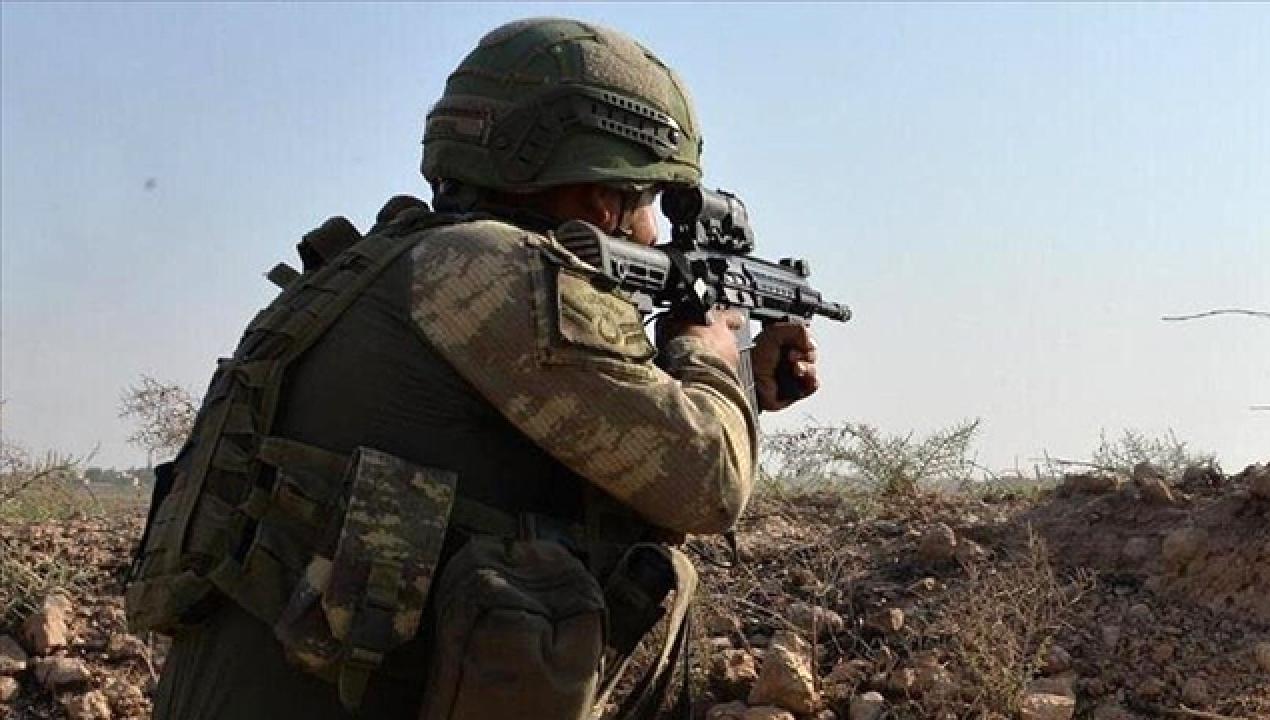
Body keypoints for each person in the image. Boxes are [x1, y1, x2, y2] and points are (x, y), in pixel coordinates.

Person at [127, 17, 820, 720]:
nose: (652, 232)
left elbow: (590, 465)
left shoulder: (393, 261)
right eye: (650, 202)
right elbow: (708, 485)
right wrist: (707, 351)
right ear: (602, 199)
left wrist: (738, 385)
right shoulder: (493, 272)